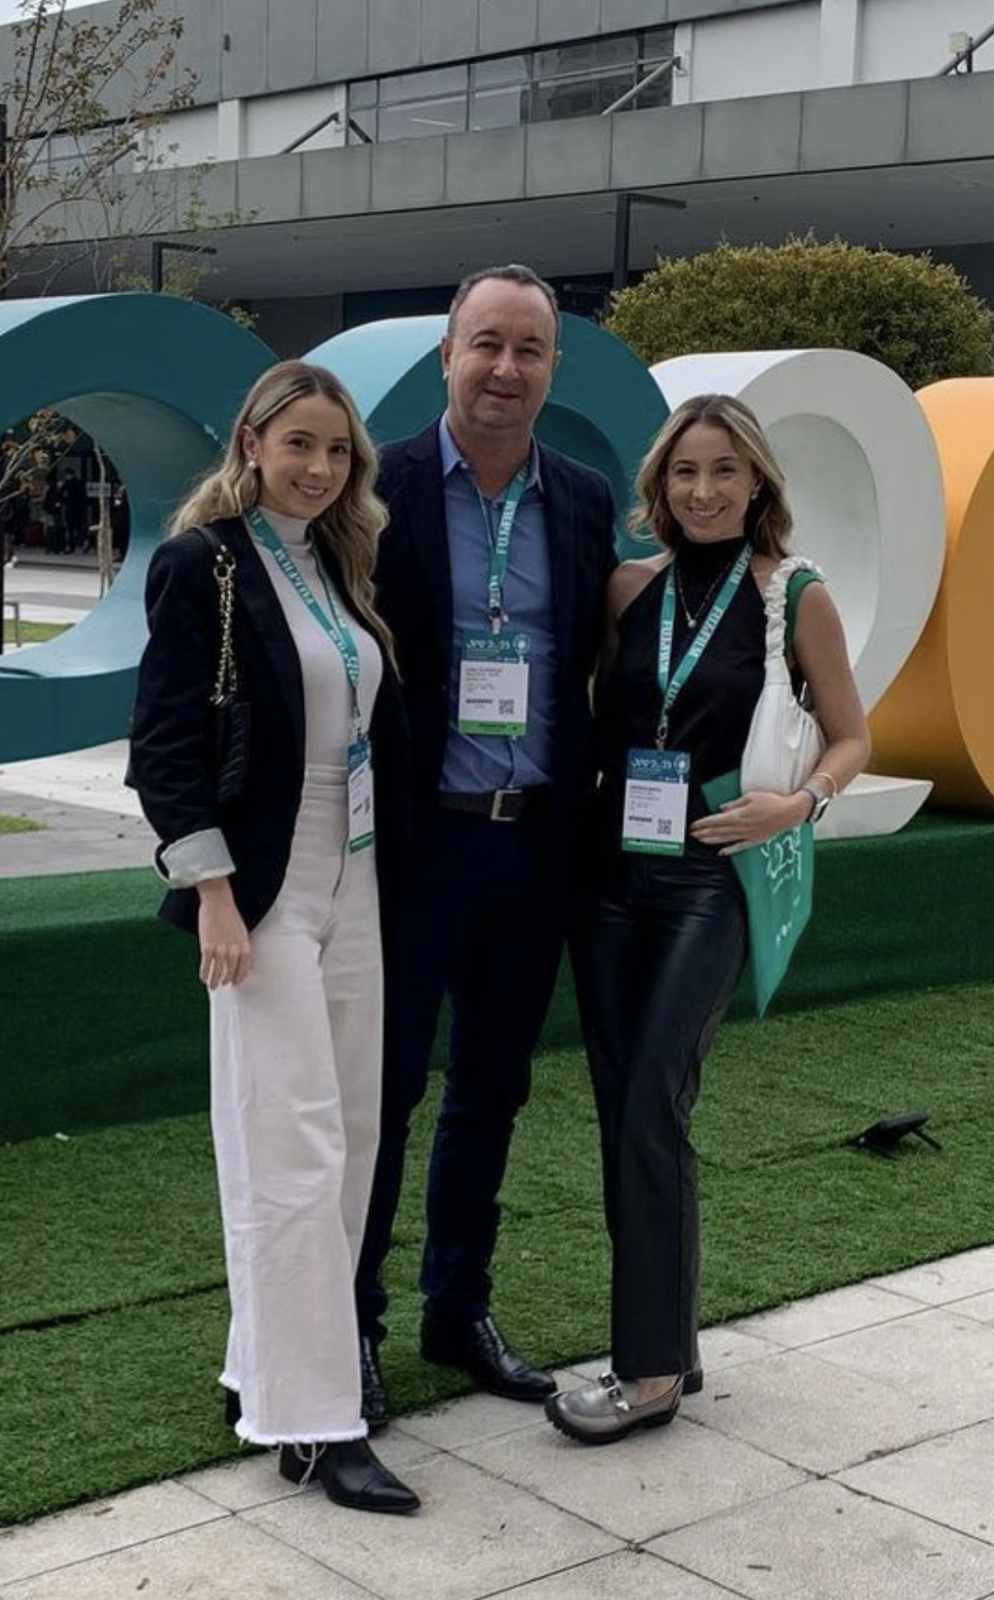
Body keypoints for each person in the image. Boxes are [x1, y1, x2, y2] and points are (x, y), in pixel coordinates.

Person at [545, 393, 870, 1445]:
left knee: (653, 1095)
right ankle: (668, 1344)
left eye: (725, 469)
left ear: (758, 479)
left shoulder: (793, 593)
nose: (703, 489)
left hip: (712, 873)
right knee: (626, 1109)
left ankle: (645, 1374)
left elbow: (851, 736)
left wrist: (798, 804)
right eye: (685, 470)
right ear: (659, 482)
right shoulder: (628, 586)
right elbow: (605, 714)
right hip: (607, 874)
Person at [128, 360, 419, 1514]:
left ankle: (268, 1371)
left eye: (337, 449)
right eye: (299, 442)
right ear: (251, 442)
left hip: (359, 875)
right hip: (262, 888)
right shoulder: (199, 563)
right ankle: (314, 1422)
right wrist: (211, 891)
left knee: (349, 1136)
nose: (318, 466)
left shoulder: (339, 564)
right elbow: (163, 744)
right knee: (287, 1150)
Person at [356, 264, 617, 1427]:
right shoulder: (377, 488)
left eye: (529, 349)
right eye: (486, 344)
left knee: (491, 1090)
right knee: (383, 1094)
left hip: (533, 847)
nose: (505, 368)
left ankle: (454, 1309)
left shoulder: (584, 498)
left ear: (553, 367)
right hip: (414, 851)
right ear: (447, 356)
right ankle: (349, 1325)